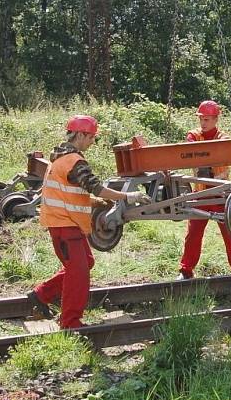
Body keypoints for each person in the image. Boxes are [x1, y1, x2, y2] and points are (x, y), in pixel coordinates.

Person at [28, 115, 152, 329]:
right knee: (79, 274)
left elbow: (71, 192)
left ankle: (41, 295)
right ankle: (70, 323)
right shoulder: (74, 162)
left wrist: (94, 203)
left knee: (86, 262)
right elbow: (96, 186)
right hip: (65, 225)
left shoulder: (60, 157)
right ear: (81, 135)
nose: (92, 142)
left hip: (64, 223)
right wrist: (127, 197)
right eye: (91, 137)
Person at [177, 100, 231, 280]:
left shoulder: (223, 138)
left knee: (230, 232)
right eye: (201, 119)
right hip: (201, 194)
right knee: (193, 233)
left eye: (207, 119)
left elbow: (222, 150)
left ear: (216, 119)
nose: (203, 123)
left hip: (220, 194)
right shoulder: (193, 136)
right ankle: (186, 271)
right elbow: (190, 147)